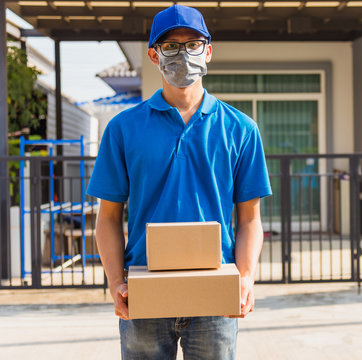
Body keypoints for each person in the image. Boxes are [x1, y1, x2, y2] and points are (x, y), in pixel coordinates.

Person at [86, 4, 272, 359]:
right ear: (154, 55)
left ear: (209, 52)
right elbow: (107, 218)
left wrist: (245, 278)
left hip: (215, 291)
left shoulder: (240, 129)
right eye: (171, 46)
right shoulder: (123, 129)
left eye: (193, 44)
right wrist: (116, 283)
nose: (182, 54)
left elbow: (250, 219)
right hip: (144, 290)